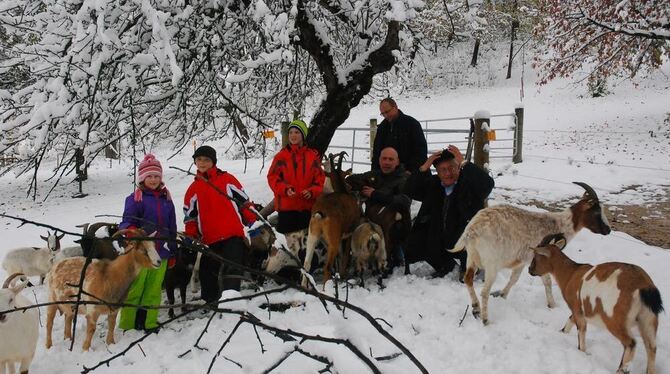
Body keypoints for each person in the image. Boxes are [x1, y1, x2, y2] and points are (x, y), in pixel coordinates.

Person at [404, 145, 494, 279]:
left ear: (459, 167)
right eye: (443, 170)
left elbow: (487, 184)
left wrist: (464, 162)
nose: (448, 173)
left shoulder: (469, 184)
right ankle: (446, 266)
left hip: (466, 235)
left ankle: (469, 267)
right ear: (438, 173)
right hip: (442, 236)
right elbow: (410, 190)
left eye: (452, 168)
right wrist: (424, 167)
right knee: (417, 240)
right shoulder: (434, 184)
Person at [183, 145, 256, 303]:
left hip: (232, 234)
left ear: (213, 162)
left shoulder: (227, 179)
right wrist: (190, 234)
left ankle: (232, 301)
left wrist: (252, 221)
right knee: (207, 272)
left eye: (206, 160)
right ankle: (212, 301)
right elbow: (190, 217)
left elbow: (244, 202)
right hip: (209, 238)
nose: (202, 163)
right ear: (195, 162)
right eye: (199, 159)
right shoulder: (193, 188)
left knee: (232, 268)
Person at [119, 154, 177, 331]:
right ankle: (129, 323)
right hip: (141, 253)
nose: (153, 180)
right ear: (142, 178)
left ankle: (148, 322)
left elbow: (172, 226)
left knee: (153, 289)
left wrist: (173, 250)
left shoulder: (166, 198)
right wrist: (132, 232)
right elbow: (127, 222)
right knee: (136, 288)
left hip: (162, 251)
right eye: (149, 176)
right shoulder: (135, 198)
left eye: (156, 176)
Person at [347, 147, 411, 267]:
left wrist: (375, 194)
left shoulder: (404, 178)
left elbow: (404, 201)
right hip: (372, 221)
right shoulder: (374, 175)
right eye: (384, 159)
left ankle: (394, 256)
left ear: (397, 162)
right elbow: (352, 179)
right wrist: (359, 187)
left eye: (391, 159)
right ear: (379, 160)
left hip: (393, 225)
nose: (386, 162)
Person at [267, 119, 325, 250]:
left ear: (303, 135)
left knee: (305, 246)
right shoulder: (281, 157)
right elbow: (272, 177)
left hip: (306, 209)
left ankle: (306, 269)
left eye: (297, 132)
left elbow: (319, 180)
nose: (293, 135)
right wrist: (285, 189)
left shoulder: (312, 156)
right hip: (287, 209)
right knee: (287, 247)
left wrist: (311, 191)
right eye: (291, 132)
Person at [371, 98, 427, 173]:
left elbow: (420, 152)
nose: (386, 115)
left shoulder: (412, 124)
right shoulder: (382, 127)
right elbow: (377, 153)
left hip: (408, 174)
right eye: (382, 114)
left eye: (387, 112)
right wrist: (374, 174)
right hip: (386, 175)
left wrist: (409, 170)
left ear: (395, 107)